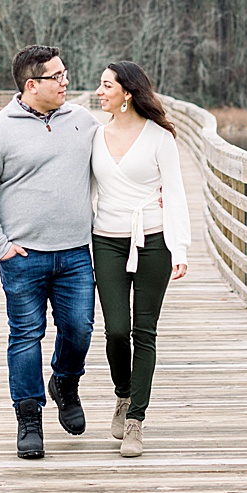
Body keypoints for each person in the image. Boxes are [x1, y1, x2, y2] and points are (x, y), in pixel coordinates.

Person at [0, 45, 100, 459]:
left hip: (75, 253)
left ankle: (65, 383)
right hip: (23, 257)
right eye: (56, 77)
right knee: (26, 336)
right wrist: (0, 246)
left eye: (64, 73)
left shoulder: (83, 121)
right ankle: (29, 417)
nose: (65, 82)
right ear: (31, 85)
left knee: (79, 329)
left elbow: (117, 158)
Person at [89, 60, 192, 459]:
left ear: (127, 93)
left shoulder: (160, 138)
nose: (99, 92)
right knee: (116, 330)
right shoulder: (95, 136)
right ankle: (123, 393)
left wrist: (179, 248)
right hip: (107, 240)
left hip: (153, 241)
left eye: (106, 85)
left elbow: (176, 194)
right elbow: (84, 189)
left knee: (143, 332)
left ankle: (135, 420)